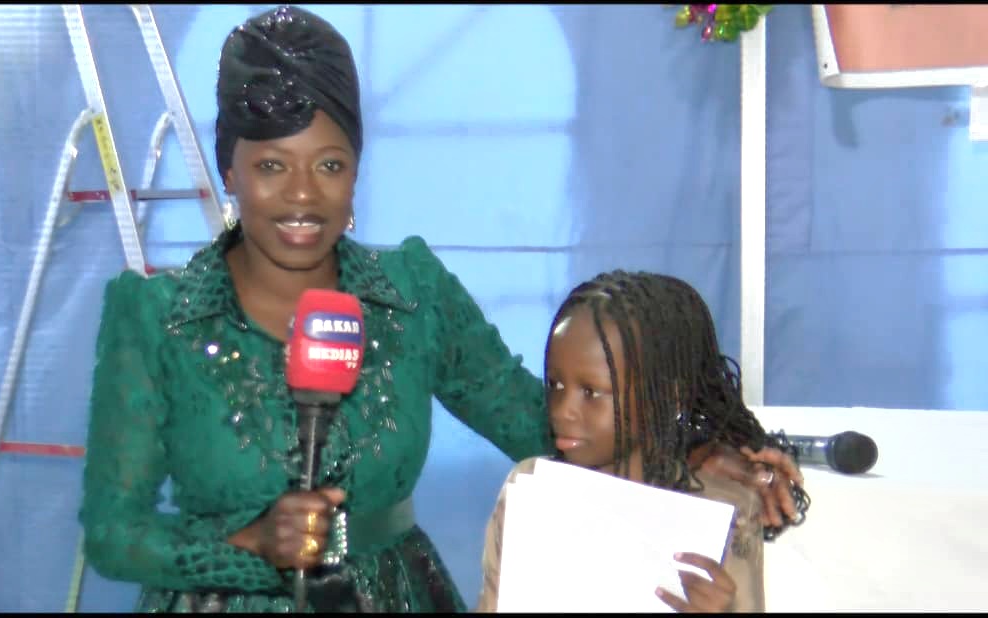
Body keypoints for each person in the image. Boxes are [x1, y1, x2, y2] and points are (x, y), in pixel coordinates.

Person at [78, 6, 807, 613]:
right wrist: (248, 547)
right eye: (271, 166)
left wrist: (698, 449)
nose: (302, 195)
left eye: (329, 165)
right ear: (228, 169)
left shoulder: (412, 293)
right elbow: (114, 536)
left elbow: (545, 427)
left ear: (356, 172)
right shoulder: (155, 316)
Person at [477, 270, 811, 613]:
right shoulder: (531, 488)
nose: (563, 411)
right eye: (555, 385)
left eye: (591, 392)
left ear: (665, 396)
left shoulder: (722, 510)